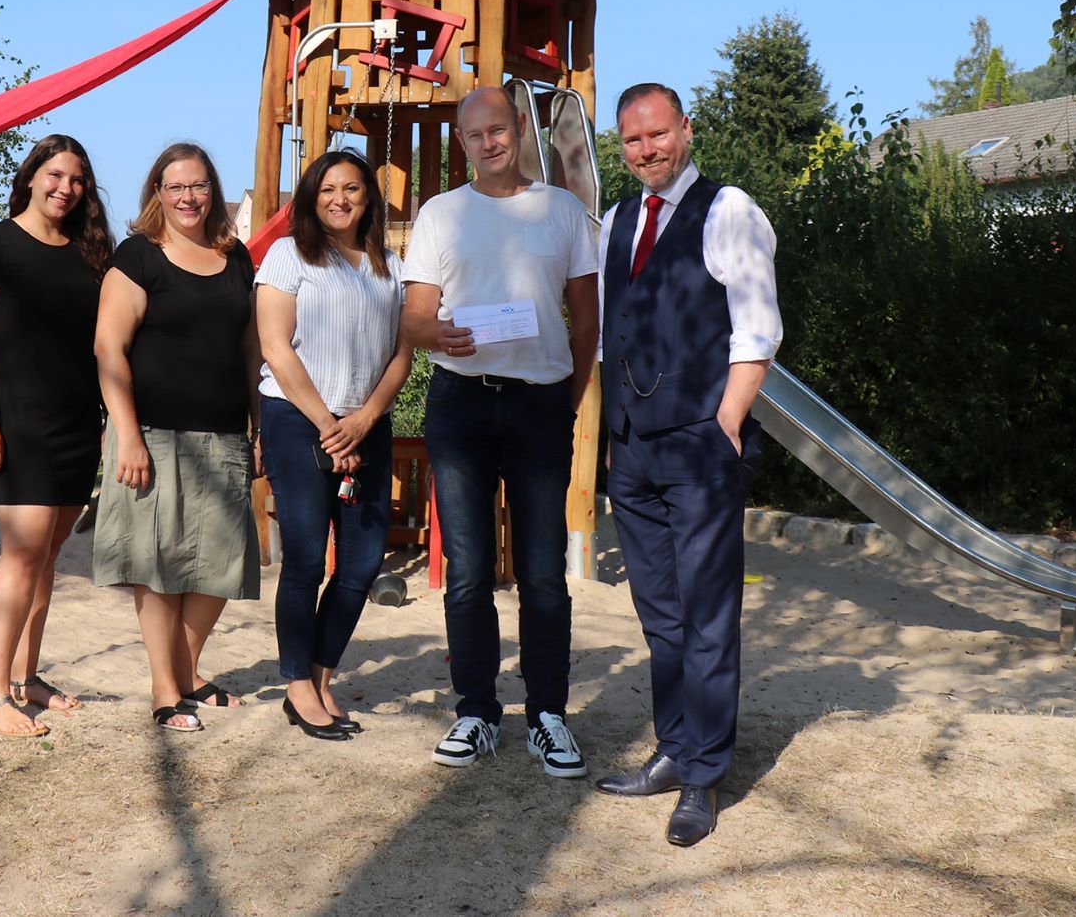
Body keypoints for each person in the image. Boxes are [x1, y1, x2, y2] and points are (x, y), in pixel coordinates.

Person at [593, 83, 781, 847]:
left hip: (700, 438)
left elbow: (756, 325)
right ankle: (672, 748)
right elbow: (609, 335)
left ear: (685, 130)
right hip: (632, 444)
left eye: (658, 135)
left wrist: (728, 420)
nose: (646, 151)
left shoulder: (728, 209)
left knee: (706, 614)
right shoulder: (613, 220)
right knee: (659, 613)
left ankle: (704, 775)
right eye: (632, 140)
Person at [401, 87, 599, 778]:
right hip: (459, 405)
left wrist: (569, 403)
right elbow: (415, 318)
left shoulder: (561, 210)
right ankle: (476, 712)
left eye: (499, 129)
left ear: (519, 130)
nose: (488, 142)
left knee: (543, 573)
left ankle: (547, 715)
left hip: (540, 406)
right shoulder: (440, 214)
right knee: (467, 571)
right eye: (474, 134)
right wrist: (437, 334)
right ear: (461, 141)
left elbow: (585, 317)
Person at [94, 143, 261, 733]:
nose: (188, 197)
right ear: (157, 194)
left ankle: (187, 670)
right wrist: (128, 436)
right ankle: (167, 691)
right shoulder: (139, 256)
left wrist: (258, 422)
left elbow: (250, 350)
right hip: (152, 435)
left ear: (212, 191)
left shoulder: (236, 257)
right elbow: (108, 349)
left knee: (219, 565)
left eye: (199, 186)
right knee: (158, 566)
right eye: (176, 187)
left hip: (223, 434)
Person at [0, 133, 115, 737]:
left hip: (78, 424)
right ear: (30, 177)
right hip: (16, 423)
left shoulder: (90, 255)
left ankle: (27, 677)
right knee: (21, 556)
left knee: (47, 558)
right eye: (55, 175)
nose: (65, 188)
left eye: (77, 180)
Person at [255, 149, 413, 742]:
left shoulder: (388, 264)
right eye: (326, 189)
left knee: (362, 563)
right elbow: (275, 347)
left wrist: (366, 418)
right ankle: (298, 685)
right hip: (299, 420)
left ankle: (322, 677)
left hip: (367, 423)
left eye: (351, 188)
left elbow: (403, 349)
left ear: (369, 197)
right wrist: (328, 424)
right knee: (302, 558)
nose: (339, 199)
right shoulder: (288, 255)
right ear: (310, 197)